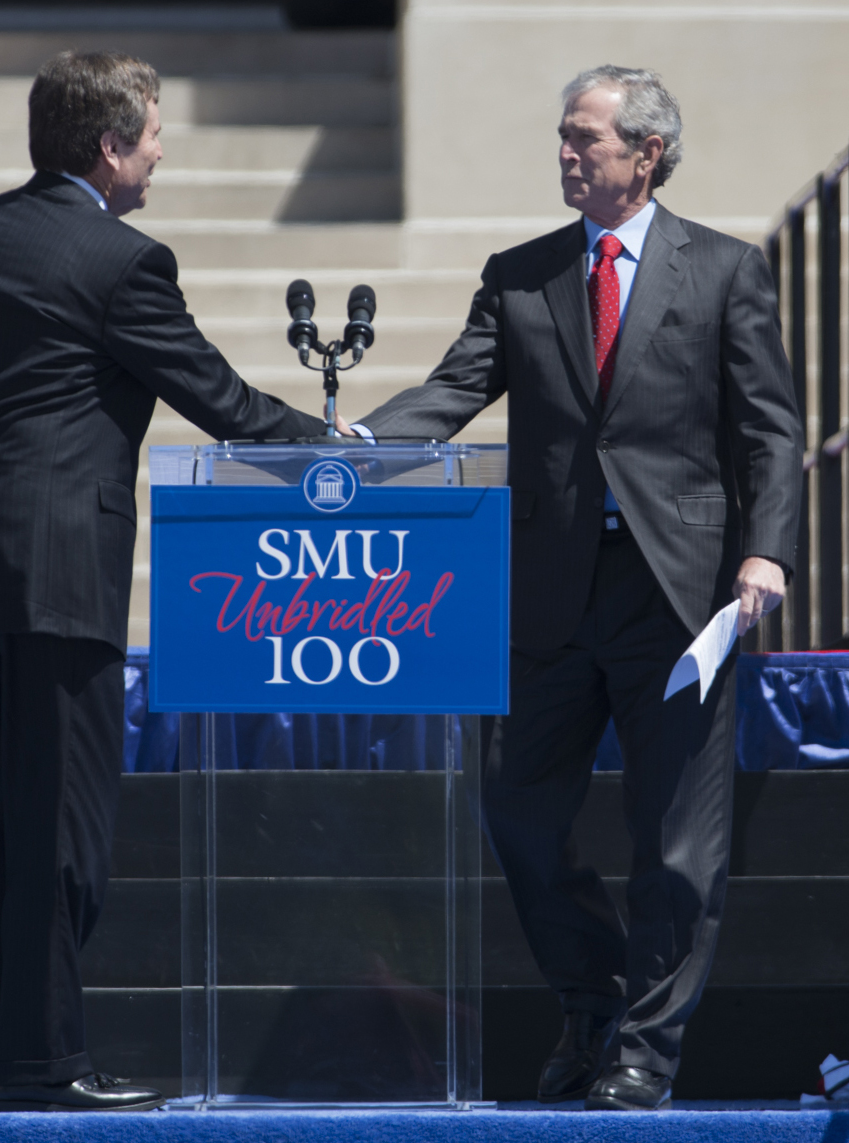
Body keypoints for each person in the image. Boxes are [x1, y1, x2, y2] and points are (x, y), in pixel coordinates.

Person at [343, 66, 802, 1110]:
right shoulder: (522, 275)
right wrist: (366, 443)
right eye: (561, 137)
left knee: (677, 844)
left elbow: (771, 429)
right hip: (548, 594)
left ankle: (644, 1052)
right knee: (515, 811)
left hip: (678, 596)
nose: (565, 154)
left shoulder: (724, 270)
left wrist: (765, 550)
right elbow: (458, 387)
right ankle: (592, 1000)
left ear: (645, 154)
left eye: (583, 139)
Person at [0, 50, 324, 1113]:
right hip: (63, 574)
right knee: (64, 830)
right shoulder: (123, 260)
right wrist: (332, 446)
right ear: (110, 146)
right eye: (154, 134)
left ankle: (7, 1063)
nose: (162, 152)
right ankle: (48, 1065)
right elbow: (217, 399)